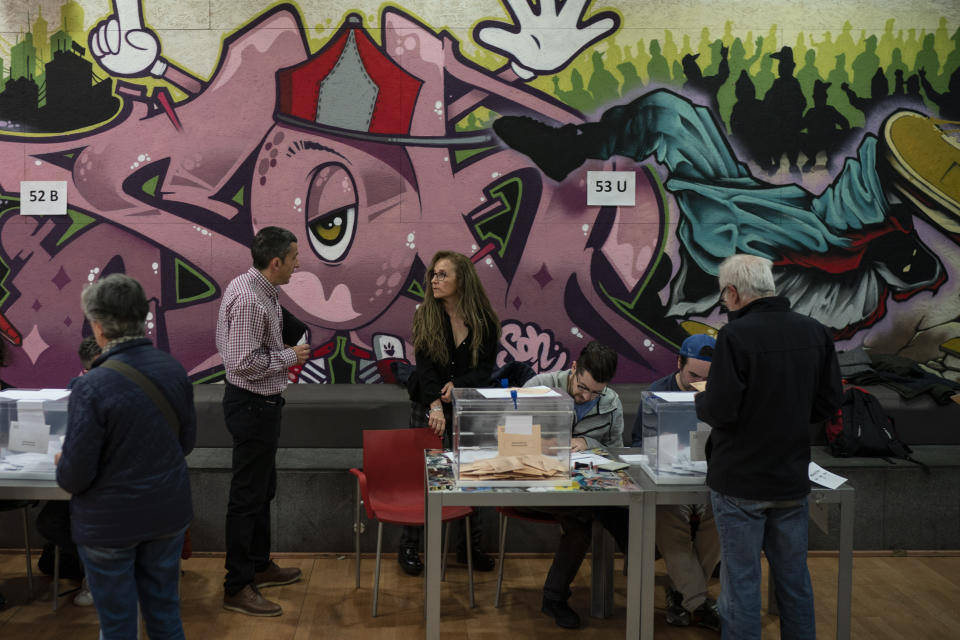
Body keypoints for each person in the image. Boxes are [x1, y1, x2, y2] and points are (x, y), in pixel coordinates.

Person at [695, 254, 843, 639]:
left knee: (741, 585)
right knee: (794, 582)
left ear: (733, 292)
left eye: (723, 297)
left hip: (741, 480)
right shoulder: (815, 331)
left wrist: (701, 401)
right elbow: (829, 403)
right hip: (791, 477)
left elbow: (721, 410)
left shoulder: (735, 336)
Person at [56, 274, 197, 639]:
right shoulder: (174, 371)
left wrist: (63, 465)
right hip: (167, 513)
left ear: (99, 327)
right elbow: (186, 443)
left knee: (117, 625)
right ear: (142, 318)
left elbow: (75, 477)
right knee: (165, 615)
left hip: (109, 525)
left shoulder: (91, 385)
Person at [216, 226, 311, 616]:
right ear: (276, 262)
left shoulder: (255, 287)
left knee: (262, 489)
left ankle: (259, 564)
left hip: (262, 406)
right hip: (252, 406)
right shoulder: (251, 299)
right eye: (293, 258)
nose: (297, 263)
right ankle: (237, 584)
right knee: (247, 497)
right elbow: (242, 362)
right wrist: (291, 357)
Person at [399, 250, 501, 576]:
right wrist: (435, 406)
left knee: (468, 477)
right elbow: (425, 369)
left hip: (466, 406)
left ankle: (469, 548)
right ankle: (409, 546)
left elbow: (485, 370)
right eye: (433, 274)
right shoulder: (426, 315)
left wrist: (457, 385)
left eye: (443, 274)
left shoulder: (483, 320)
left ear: (462, 280)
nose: (435, 280)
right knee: (423, 477)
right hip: (426, 405)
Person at [519, 341, 626, 629]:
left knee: (581, 524)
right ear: (574, 368)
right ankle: (555, 597)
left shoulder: (611, 402)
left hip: (583, 487)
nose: (586, 395)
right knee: (595, 515)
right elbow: (508, 434)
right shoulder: (540, 386)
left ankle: (554, 598)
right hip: (534, 482)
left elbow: (616, 452)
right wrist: (543, 443)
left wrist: (588, 442)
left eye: (595, 392)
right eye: (582, 387)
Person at [634, 334, 721, 631]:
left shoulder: (722, 395)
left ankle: (681, 596)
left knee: (723, 519)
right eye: (693, 375)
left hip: (710, 483)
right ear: (678, 363)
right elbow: (638, 443)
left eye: (707, 378)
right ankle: (698, 601)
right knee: (669, 519)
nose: (699, 383)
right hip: (668, 482)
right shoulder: (657, 393)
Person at [36, 335, 104, 607]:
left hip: (115, 486)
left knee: (62, 519)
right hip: (85, 480)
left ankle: (99, 573)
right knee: (51, 521)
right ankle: (96, 568)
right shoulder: (76, 390)